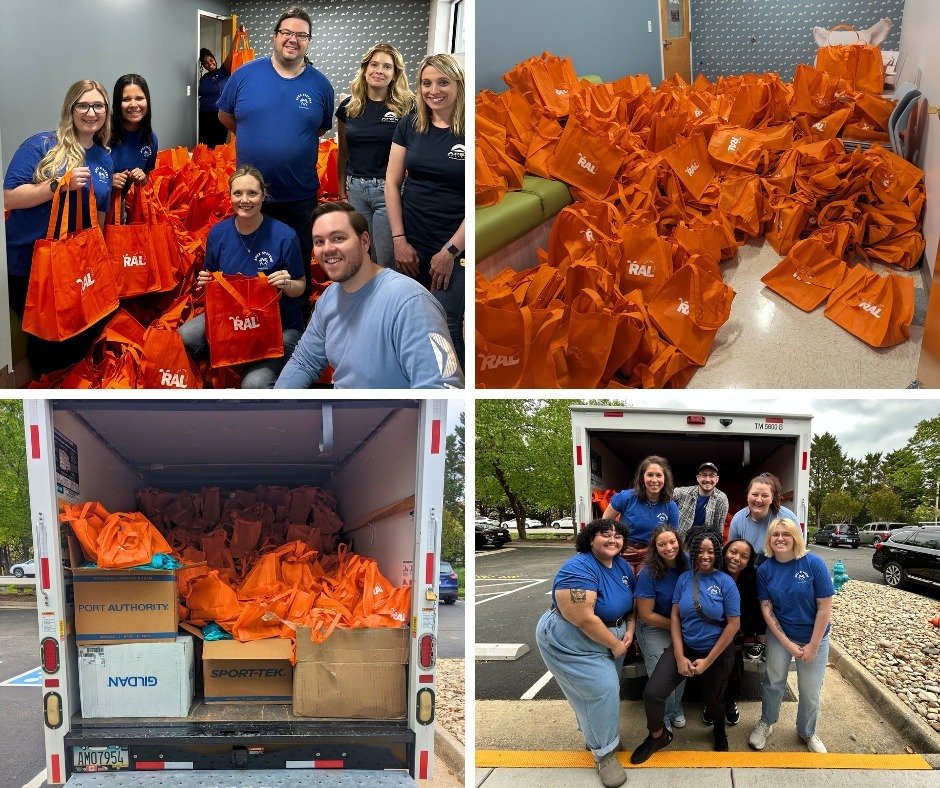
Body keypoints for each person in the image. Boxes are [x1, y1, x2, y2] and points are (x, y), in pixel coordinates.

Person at [274, 202, 463, 389]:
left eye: (338, 238)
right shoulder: (329, 298)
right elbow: (304, 362)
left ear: (364, 241)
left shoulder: (410, 302)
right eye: (319, 241)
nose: (327, 249)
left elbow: (441, 387)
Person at [3, 79, 114, 375]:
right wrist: (56, 186)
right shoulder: (41, 145)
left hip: (76, 264)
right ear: (71, 108)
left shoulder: (105, 157)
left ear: (106, 111)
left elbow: (99, 215)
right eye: (84, 105)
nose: (91, 112)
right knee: (49, 344)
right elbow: (9, 197)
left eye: (98, 105)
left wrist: (98, 259)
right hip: (30, 264)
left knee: (83, 331)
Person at [218, 7, 335, 271]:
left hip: (299, 195)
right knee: (251, 264)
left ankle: (296, 312)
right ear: (275, 36)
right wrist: (253, 132)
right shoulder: (245, 75)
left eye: (301, 35)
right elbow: (225, 116)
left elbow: (318, 129)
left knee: (297, 263)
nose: (293, 39)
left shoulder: (321, 85)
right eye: (286, 32)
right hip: (252, 195)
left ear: (309, 42)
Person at [177, 165, 305, 388]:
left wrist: (287, 284)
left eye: (252, 193)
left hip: (281, 327)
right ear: (229, 196)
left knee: (254, 385)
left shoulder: (285, 236)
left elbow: (301, 286)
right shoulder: (218, 234)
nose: (245, 200)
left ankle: (256, 369)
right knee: (182, 337)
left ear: (264, 196)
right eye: (238, 193)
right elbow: (213, 282)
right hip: (233, 319)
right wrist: (206, 283)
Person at [535, 518, 635, 788]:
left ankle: (600, 734)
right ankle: (603, 753)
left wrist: (630, 627)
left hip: (612, 636)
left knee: (603, 693)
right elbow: (582, 618)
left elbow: (630, 603)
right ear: (590, 539)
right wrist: (615, 645)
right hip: (572, 641)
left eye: (617, 536)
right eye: (605, 535)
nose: (612, 540)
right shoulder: (578, 568)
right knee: (601, 690)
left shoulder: (622, 565)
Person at [630, 530, 740, 764]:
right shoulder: (684, 578)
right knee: (652, 693)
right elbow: (675, 618)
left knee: (714, 701)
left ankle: (719, 728)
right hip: (686, 646)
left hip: (716, 650)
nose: (705, 556)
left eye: (711, 551)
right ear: (693, 553)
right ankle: (657, 735)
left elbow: (733, 625)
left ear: (718, 553)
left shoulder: (726, 582)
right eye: (700, 551)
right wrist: (679, 656)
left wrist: (708, 661)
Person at [385, 53, 465, 370]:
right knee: (408, 318)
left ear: (457, 84)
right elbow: (391, 183)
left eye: (443, 82)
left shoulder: (471, 130)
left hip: (455, 246)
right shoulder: (410, 124)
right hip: (411, 241)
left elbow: (478, 201)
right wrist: (399, 240)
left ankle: (453, 385)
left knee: (445, 323)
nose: (434, 90)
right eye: (426, 82)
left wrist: (450, 250)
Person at [749, 518, 834, 754]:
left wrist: (813, 647)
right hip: (780, 635)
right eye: (775, 534)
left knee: (810, 690)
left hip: (814, 636)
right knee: (774, 682)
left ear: (795, 536)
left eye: (786, 534)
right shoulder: (765, 570)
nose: (780, 538)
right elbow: (766, 608)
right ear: (769, 539)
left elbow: (825, 608)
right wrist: (787, 643)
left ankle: (807, 732)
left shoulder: (813, 564)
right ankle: (766, 723)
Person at [336, 43, 414, 268]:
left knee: (386, 259)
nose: (379, 70)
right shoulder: (348, 107)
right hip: (356, 190)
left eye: (387, 66)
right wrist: (342, 194)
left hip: (388, 191)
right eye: (374, 64)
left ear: (395, 73)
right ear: (365, 68)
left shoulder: (407, 107)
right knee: (363, 257)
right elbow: (343, 152)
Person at [635, 524, 690, 732]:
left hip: (680, 626)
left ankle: (675, 709)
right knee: (661, 672)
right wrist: (675, 626)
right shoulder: (649, 572)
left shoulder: (688, 561)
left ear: (678, 541)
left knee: (680, 667)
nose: (668, 547)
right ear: (655, 548)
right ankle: (664, 714)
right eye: (662, 544)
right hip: (654, 626)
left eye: (672, 541)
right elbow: (646, 614)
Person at [709, 538, 766, 728]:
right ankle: (711, 703)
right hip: (711, 630)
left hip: (736, 632)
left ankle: (730, 700)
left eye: (743, 556)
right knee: (711, 669)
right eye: (733, 552)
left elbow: (755, 611)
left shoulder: (751, 579)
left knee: (733, 668)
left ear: (749, 562)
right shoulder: (711, 574)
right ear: (724, 552)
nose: (736, 558)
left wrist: (759, 637)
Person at [602, 455, 680, 577]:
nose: (654, 480)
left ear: (665, 479)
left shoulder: (671, 506)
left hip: (651, 554)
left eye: (659, 475)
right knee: (624, 581)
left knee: (643, 581)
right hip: (624, 550)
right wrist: (615, 545)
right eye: (650, 475)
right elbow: (605, 523)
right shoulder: (626, 497)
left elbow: (672, 537)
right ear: (642, 478)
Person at [729, 473, 799, 566]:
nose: (758, 500)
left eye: (765, 496)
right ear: (747, 496)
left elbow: (799, 550)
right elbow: (732, 551)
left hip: (780, 566)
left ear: (772, 498)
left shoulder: (788, 517)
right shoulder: (738, 519)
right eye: (754, 494)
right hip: (749, 568)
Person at [109, 74, 157, 197]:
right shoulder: (102, 133)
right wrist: (106, 180)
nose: (134, 104)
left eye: (139, 98)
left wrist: (142, 178)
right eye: (126, 99)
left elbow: (146, 179)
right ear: (117, 103)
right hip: (93, 208)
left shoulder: (151, 139)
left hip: (122, 207)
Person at [673, 462, 729, 547]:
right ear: (698, 478)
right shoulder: (682, 493)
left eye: (711, 476)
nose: (707, 479)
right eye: (704, 475)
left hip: (703, 546)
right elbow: (664, 496)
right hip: (680, 543)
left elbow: (718, 530)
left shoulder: (721, 499)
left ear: (717, 479)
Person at [198, 45, 235, 147]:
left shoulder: (223, 71)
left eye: (211, 60)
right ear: (203, 66)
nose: (209, 64)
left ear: (214, 59)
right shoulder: (204, 78)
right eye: (205, 63)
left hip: (220, 116)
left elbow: (230, 56)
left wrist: (237, 35)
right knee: (204, 146)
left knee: (218, 146)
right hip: (204, 116)